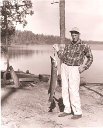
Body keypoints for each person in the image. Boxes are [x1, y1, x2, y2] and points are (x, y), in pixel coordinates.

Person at [53, 27, 93, 119]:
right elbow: (62, 57)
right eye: (72, 35)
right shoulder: (68, 45)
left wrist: (84, 67)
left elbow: (90, 58)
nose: (74, 37)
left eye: (75, 35)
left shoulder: (85, 46)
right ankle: (67, 110)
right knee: (65, 89)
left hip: (75, 69)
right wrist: (57, 49)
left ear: (79, 35)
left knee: (73, 90)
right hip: (64, 67)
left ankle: (77, 112)